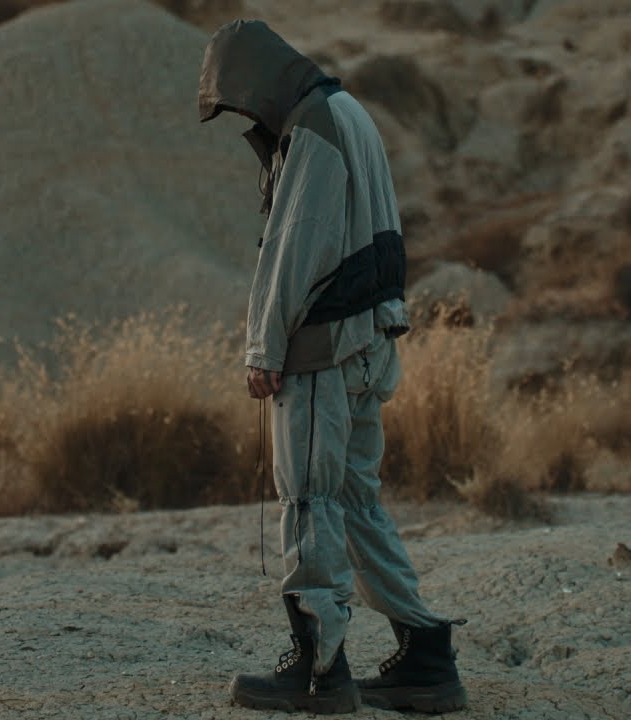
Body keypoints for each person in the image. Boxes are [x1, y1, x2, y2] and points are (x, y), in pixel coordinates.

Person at [198, 19, 467, 715]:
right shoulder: (348, 112)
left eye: (238, 101)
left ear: (256, 79)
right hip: (369, 340)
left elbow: (298, 242)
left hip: (324, 348)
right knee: (354, 506)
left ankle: (319, 669)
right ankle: (426, 656)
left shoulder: (313, 126)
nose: (246, 116)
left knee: (311, 502)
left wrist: (263, 348)